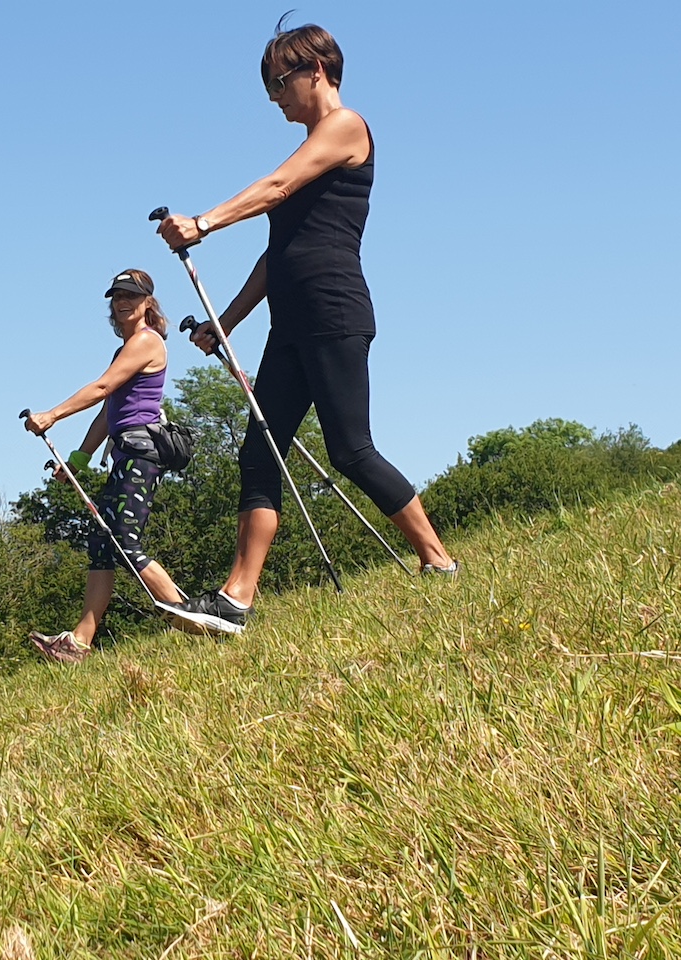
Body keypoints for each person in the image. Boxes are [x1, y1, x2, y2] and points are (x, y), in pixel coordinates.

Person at [156, 17, 457, 636]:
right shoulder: (307, 150)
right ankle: (236, 599)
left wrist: (204, 223)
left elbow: (276, 185)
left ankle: (437, 559)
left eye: (278, 83)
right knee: (259, 452)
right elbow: (278, 254)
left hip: (333, 309)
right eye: (269, 88)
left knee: (350, 449)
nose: (275, 98)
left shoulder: (346, 128)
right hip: (289, 320)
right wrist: (226, 323)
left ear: (315, 70)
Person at [22, 269, 185, 663]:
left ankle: (193, 619)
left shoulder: (147, 343)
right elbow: (107, 414)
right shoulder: (125, 350)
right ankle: (79, 643)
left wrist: (53, 415)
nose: (122, 302)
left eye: (131, 295)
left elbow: (101, 389)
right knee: (102, 543)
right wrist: (78, 460)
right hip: (123, 452)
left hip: (141, 454)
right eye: (116, 297)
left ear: (148, 302)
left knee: (124, 542)